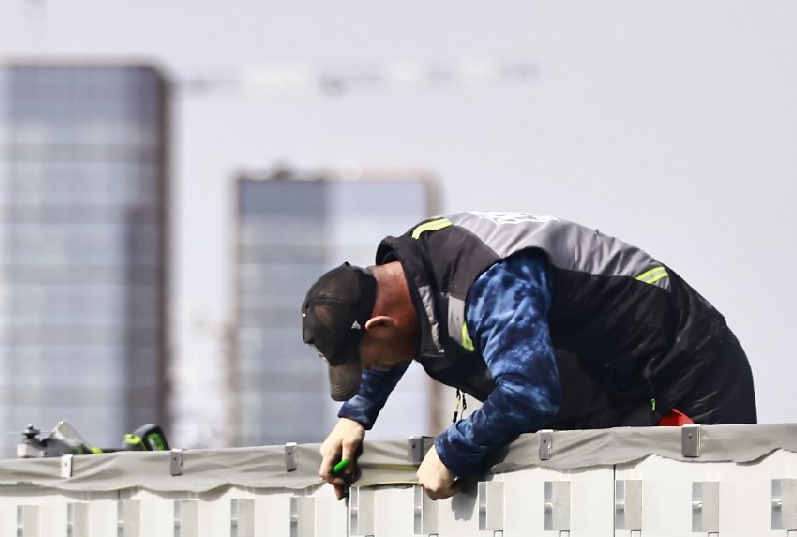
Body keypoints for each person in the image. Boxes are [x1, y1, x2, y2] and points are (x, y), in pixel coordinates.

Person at [301, 211, 757, 498]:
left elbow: (529, 393)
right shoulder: (409, 270)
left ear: (380, 325)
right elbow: (406, 329)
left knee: (700, 527)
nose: (373, 371)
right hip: (617, 388)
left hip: (689, 375)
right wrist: (356, 416)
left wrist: (451, 452)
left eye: (368, 362)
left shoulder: (493, 283)